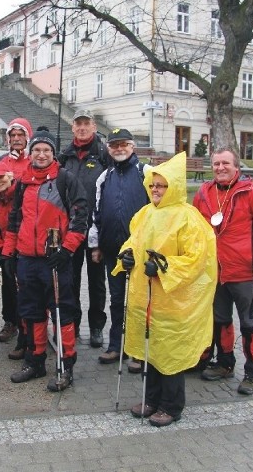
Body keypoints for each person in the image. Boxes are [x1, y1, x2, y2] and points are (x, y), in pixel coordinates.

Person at [113, 152, 217, 426]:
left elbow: (196, 259)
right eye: (153, 185)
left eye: (161, 185)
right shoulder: (145, 213)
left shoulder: (188, 218)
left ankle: (171, 406)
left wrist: (163, 267)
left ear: (174, 187)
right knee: (151, 351)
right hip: (146, 298)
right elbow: (132, 241)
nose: (156, 190)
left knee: (170, 353)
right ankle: (151, 399)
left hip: (173, 301)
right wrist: (126, 257)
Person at [1, 129, 88, 392]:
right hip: (27, 258)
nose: (41, 154)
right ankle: (35, 361)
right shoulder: (23, 182)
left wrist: (67, 250)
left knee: (62, 313)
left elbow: (80, 218)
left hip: (55, 260)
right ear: (30, 152)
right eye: (37, 150)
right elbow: (15, 219)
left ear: (53, 154)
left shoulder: (66, 180)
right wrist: (9, 253)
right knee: (31, 312)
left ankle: (66, 365)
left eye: (46, 151)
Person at [193, 147, 253, 395]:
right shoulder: (204, 193)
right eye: (216, 163)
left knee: (250, 324)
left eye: (225, 163)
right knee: (220, 321)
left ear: (236, 166)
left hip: (245, 273)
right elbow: (193, 229)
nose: (220, 168)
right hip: (215, 273)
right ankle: (224, 363)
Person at [89, 128, 150, 368]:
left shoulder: (145, 173)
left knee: (137, 301)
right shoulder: (105, 177)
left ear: (132, 146)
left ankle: (138, 351)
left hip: (139, 252)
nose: (119, 149)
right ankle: (117, 345)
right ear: (108, 149)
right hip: (112, 250)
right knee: (116, 300)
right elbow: (97, 213)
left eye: (124, 144)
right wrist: (96, 245)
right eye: (114, 145)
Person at [58, 110, 108, 348]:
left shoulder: (104, 154)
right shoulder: (65, 156)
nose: (82, 127)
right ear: (72, 128)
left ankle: (97, 326)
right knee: (72, 279)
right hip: (71, 228)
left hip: (96, 227)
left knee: (96, 280)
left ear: (94, 126)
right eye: (78, 124)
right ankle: (74, 324)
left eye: (86, 123)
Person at [0, 117, 34, 345]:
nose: (16, 139)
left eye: (20, 135)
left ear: (27, 137)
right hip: (6, 235)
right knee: (8, 283)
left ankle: (32, 324)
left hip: (27, 233)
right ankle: (10, 322)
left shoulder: (33, 161)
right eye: (13, 136)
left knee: (28, 284)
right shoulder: (1, 160)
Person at [0, 160, 24, 358]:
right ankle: (10, 322)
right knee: (8, 289)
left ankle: (28, 331)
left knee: (22, 292)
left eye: (0, 177)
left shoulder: (21, 194)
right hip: (5, 251)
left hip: (22, 250)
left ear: (9, 176)